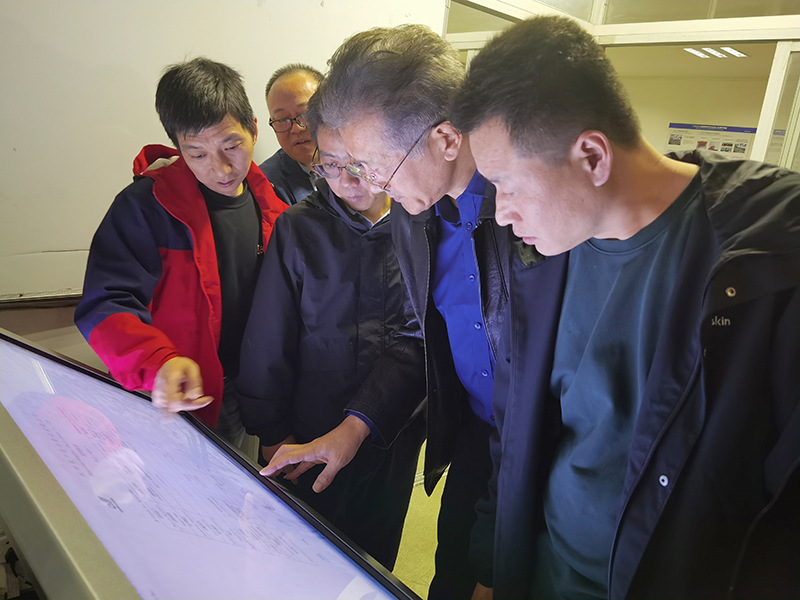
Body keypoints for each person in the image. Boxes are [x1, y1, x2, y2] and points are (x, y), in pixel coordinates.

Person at [450, 15, 800, 599]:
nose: (501, 211)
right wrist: (493, 565)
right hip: (542, 573)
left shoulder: (767, 257)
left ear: (592, 156)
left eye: (507, 183)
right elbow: (517, 430)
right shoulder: (546, 252)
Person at [262, 25, 511, 599]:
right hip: (475, 440)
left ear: (445, 139)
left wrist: (501, 558)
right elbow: (420, 337)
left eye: (374, 163)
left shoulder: (529, 212)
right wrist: (352, 430)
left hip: (546, 461)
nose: (367, 183)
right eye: (344, 163)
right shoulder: (414, 214)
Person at [236, 115, 426, 570]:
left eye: (360, 165)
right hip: (311, 429)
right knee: (306, 557)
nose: (347, 181)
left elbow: (423, 334)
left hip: (392, 431)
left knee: (375, 557)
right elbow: (269, 336)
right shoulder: (300, 227)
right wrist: (271, 431)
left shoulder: (419, 220)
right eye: (332, 166)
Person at [75, 58, 287, 449]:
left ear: (254, 129)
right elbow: (105, 304)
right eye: (197, 154)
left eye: (231, 146)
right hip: (176, 397)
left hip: (249, 394)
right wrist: (159, 363)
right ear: (178, 148)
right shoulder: (146, 208)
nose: (221, 169)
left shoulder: (273, 206)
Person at [259, 64, 323, 205]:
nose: (296, 128)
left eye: (306, 114)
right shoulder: (265, 184)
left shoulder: (361, 159)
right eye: (282, 120)